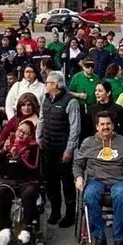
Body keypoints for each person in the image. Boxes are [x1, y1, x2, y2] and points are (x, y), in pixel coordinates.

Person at [73, 112, 123, 245]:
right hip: (96, 179)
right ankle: (99, 237)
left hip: (119, 179)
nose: (105, 127)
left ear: (113, 125)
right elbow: (78, 164)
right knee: (90, 196)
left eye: (108, 124)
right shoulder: (88, 143)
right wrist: (79, 177)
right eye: (102, 124)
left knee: (121, 195)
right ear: (97, 126)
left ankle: (119, 239)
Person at [37, 71, 82, 228]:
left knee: (67, 182)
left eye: (48, 82)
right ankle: (55, 211)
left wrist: (69, 150)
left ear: (55, 85)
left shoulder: (71, 102)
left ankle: (70, 214)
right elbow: (42, 119)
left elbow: (75, 128)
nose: (46, 85)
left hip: (63, 149)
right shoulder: (46, 99)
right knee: (51, 182)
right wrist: (39, 138)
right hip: (48, 147)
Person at [0, 120, 41, 243]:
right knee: (0, 194)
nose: (21, 134)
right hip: (8, 181)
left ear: (30, 135)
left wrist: (20, 158)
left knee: (29, 194)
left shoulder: (34, 147)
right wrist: (3, 151)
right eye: (20, 130)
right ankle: (4, 227)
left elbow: (34, 166)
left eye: (25, 133)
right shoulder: (6, 143)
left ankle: (26, 227)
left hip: (27, 181)